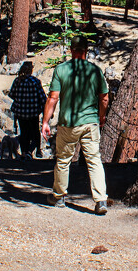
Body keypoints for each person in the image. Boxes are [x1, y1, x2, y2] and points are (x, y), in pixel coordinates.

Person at [41, 34, 109, 215]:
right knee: (94, 160)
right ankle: (101, 200)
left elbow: (53, 98)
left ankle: (59, 196)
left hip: (68, 124)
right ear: (86, 51)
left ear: (72, 51)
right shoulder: (95, 71)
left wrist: (45, 121)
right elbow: (104, 98)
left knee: (63, 160)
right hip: (90, 123)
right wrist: (101, 117)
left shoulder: (61, 70)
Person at [9, 61, 47, 158]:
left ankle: (24, 152)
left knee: (23, 132)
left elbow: (11, 94)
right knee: (35, 132)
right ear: (31, 70)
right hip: (33, 112)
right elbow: (43, 98)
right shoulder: (35, 81)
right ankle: (35, 150)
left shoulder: (17, 81)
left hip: (20, 112)